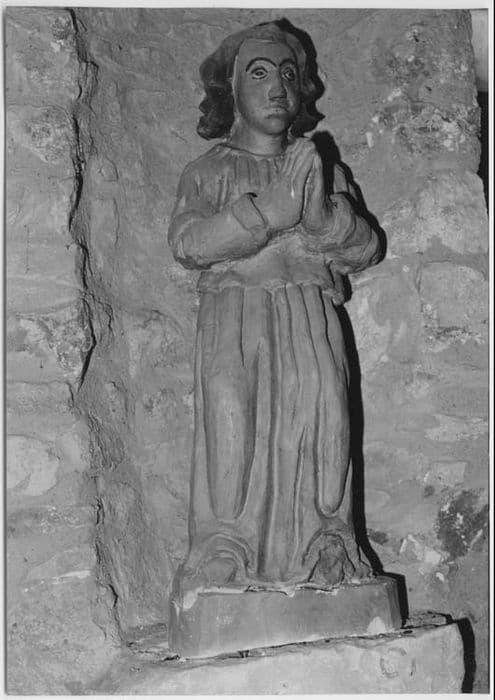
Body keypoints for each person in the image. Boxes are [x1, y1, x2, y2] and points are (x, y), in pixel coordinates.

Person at [168, 22, 381, 596]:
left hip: (308, 313)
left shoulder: (323, 171)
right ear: (231, 91)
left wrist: (319, 218)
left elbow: (364, 248)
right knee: (231, 422)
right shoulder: (210, 171)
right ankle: (224, 549)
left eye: (288, 73)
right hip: (235, 315)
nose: (277, 87)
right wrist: (267, 213)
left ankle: (327, 543)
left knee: (324, 415)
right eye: (259, 73)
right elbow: (188, 244)